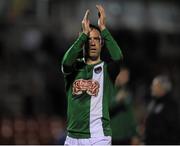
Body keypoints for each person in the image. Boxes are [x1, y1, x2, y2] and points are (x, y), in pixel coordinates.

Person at [61, 5, 123, 145]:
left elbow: (118, 57)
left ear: (102, 43)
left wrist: (103, 29)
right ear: (83, 43)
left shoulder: (107, 70)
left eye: (96, 39)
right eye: (89, 40)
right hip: (72, 137)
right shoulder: (74, 68)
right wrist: (82, 35)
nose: (93, 43)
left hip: (98, 136)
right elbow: (65, 62)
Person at [144, 75, 180, 144]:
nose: (152, 87)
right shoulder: (154, 102)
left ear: (163, 88)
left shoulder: (171, 104)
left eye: (155, 86)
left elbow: (170, 128)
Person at [110, 67, 140, 145]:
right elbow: (102, 110)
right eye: (124, 75)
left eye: (127, 76)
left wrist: (135, 134)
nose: (127, 78)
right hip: (111, 137)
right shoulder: (107, 89)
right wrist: (116, 101)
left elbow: (130, 114)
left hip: (126, 137)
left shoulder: (126, 91)